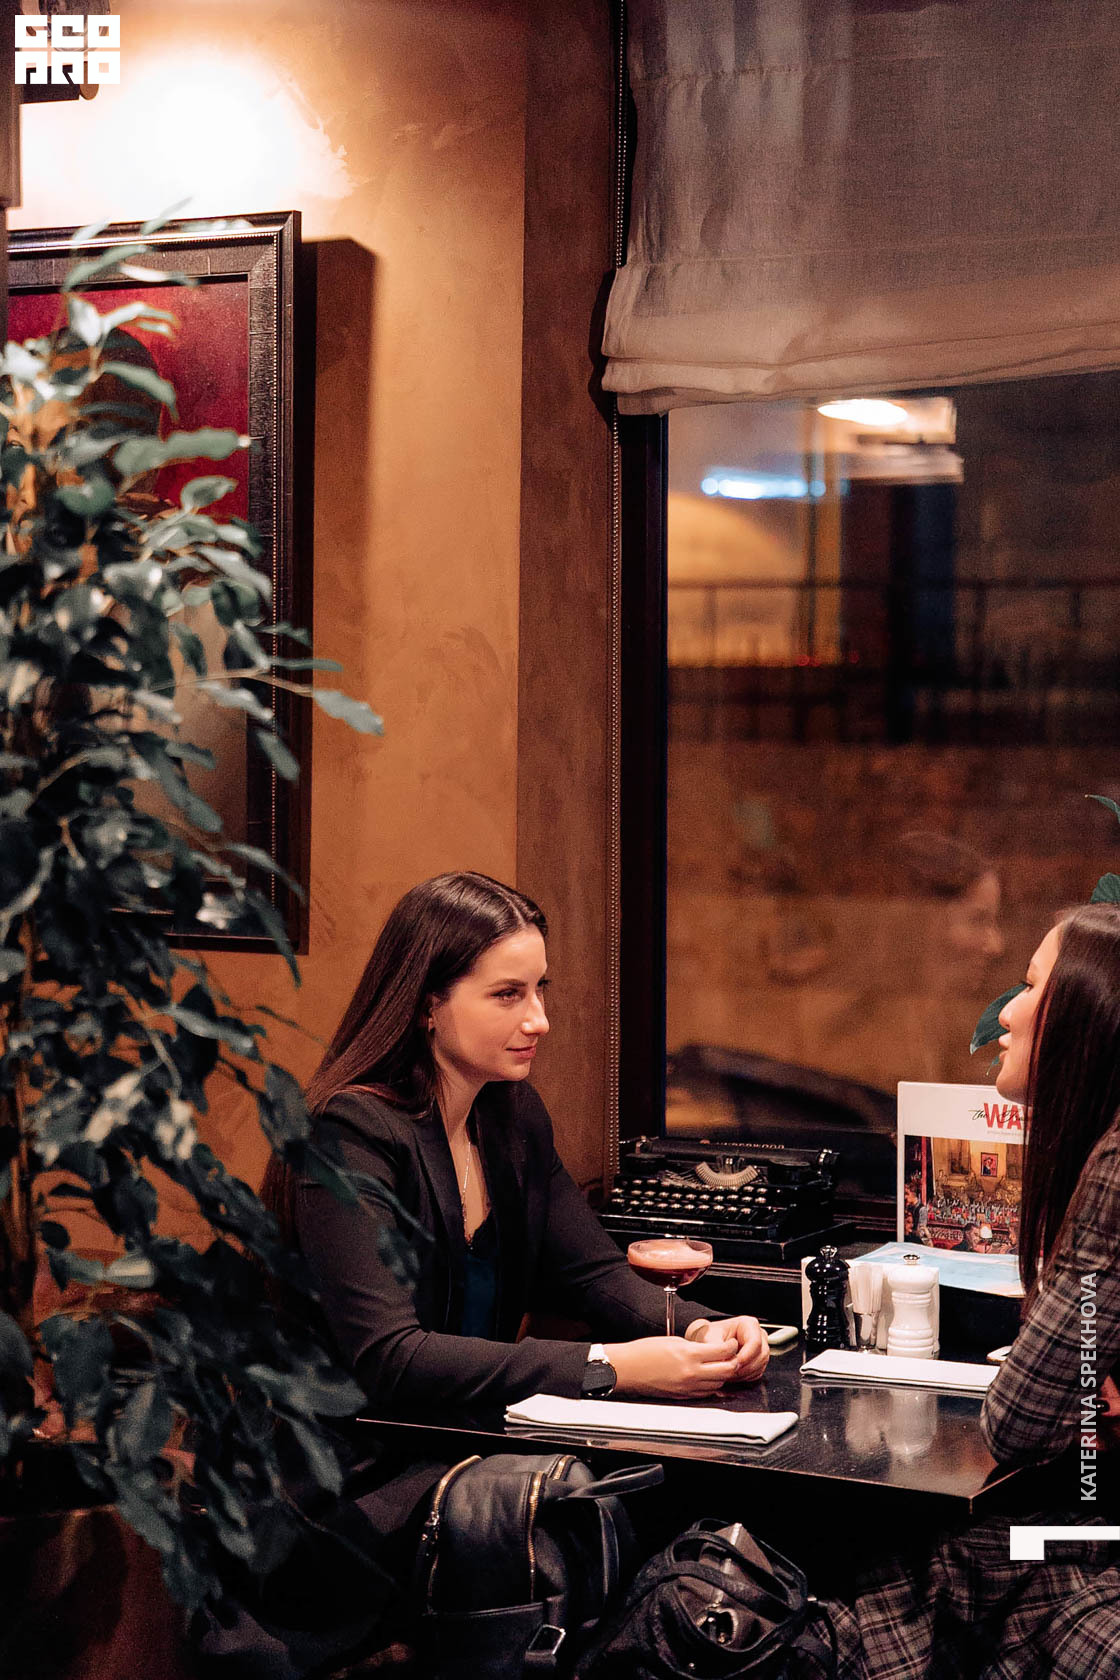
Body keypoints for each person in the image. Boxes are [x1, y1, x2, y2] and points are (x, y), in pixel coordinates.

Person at [261, 873, 768, 1566]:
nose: (539, 1020)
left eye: (539, 990)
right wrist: (609, 1366)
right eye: (507, 995)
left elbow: (593, 1274)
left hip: (477, 1454)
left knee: (709, 1509)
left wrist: (702, 1329)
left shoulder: (510, 1114)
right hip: (355, 1489)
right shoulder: (347, 1134)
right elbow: (390, 1358)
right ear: (426, 1004)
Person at [825, 903, 1120, 1679]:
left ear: (1088, 1016)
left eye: (1031, 986)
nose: (1007, 1013)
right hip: (1099, 1519)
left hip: (1109, 1535)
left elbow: (1017, 1424)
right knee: (943, 1555)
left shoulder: (1116, 1171)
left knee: (917, 1560)